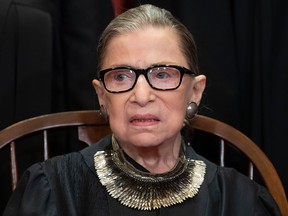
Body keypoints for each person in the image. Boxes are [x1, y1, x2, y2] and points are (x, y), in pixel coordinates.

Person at [3, 4, 281, 215]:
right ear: (102, 95)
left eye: (162, 74)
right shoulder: (50, 191)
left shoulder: (240, 200)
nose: (141, 95)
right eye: (121, 76)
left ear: (194, 91)